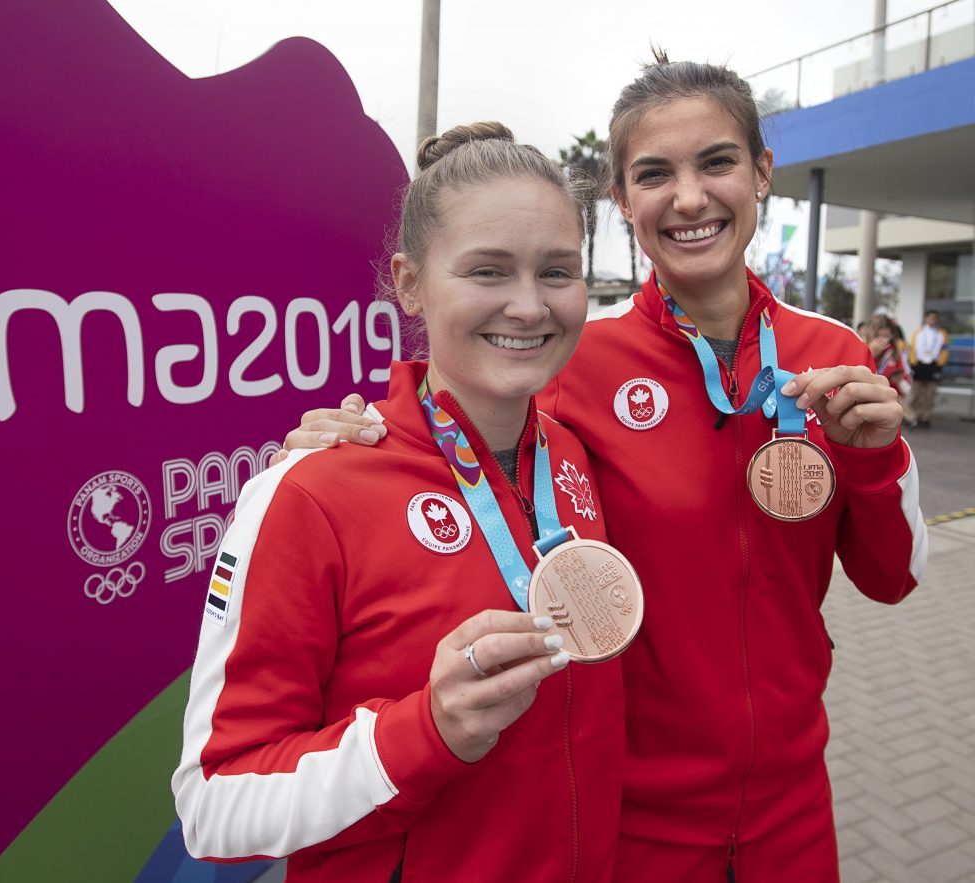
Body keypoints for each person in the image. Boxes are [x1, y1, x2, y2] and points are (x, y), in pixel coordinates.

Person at [282, 55, 927, 881]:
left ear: (763, 173)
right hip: (631, 822)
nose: (689, 197)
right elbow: (462, 445)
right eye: (654, 174)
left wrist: (878, 462)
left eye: (717, 162)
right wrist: (365, 432)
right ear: (623, 202)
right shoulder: (571, 356)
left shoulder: (833, 354)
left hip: (794, 809)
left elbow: (894, 579)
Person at [173, 124, 628, 882]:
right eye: (488, 270)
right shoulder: (310, 491)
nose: (528, 305)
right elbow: (213, 801)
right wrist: (426, 730)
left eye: (557, 271)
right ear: (410, 282)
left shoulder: (572, 457)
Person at [908, 310, 950, 428]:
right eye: (930, 318)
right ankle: (913, 416)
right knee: (916, 391)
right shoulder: (919, 332)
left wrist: (940, 364)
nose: (932, 320)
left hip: (933, 365)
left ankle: (925, 417)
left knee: (930, 393)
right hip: (919, 364)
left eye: (934, 318)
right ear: (926, 319)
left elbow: (945, 349)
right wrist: (913, 363)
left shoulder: (942, 334)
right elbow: (912, 348)